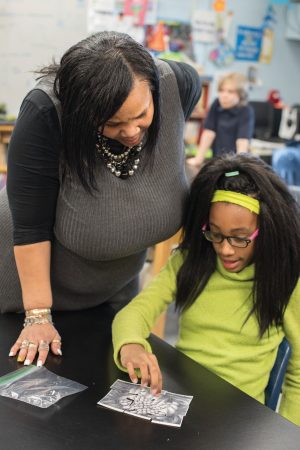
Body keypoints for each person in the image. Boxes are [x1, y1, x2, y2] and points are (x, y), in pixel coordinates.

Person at [0, 31, 201, 367]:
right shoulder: (46, 113)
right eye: (113, 123)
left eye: (142, 116)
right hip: (21, 287)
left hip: (112, 290)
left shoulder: (178, 86)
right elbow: (31, 228)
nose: (132, 132)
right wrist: (37, 316)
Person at [112, 153, 300, 427]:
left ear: (267, 229)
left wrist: (288, 435)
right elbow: (134, 313)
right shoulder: (188, 263)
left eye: (240, 238)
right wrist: (131, 345)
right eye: (215, 233)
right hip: (180, 411)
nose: (225, 248)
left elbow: (297, 375)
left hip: (241, 423)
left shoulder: (286, 280)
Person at [187, 72, 254, 167]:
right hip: (218, 159)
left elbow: (242, 141)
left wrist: (239, 166)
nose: (224, 95)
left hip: (235, 161)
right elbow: (209, 133)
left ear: (241, 94)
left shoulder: (246, 111)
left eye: (230, 92)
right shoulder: (216, 104)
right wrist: (198, 159)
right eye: (221, 90)